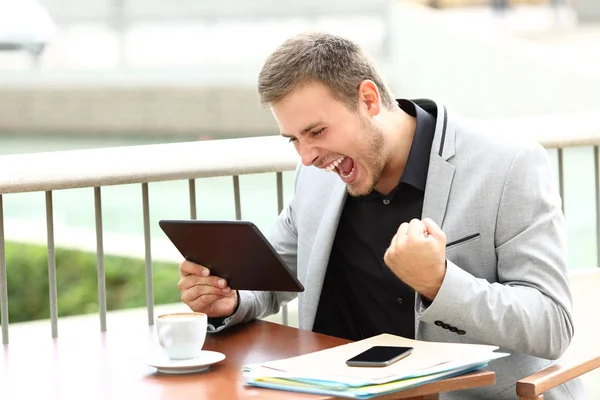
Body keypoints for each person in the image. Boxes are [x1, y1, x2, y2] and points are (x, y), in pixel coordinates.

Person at [178, 32, 584, 399]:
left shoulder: (508, 164)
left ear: (369, 100)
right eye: (294, 139)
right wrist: (228, 300)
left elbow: (552, 325)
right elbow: (272, 279)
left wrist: (440, 283)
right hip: (330, 390)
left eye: (317, 132)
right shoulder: (317, 175)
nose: (306, 156)